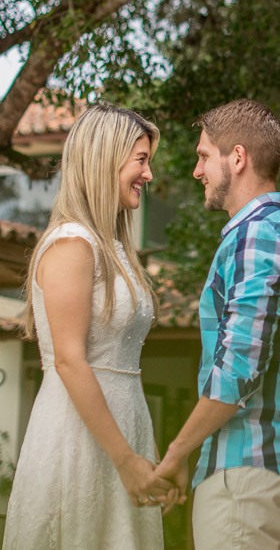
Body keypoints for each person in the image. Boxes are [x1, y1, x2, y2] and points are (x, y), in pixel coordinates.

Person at [154, 99, 280, 550]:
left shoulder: (254, 236)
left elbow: (238, 369)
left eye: (202, 156)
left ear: (236, 158)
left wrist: (178, 452)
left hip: (248, 477)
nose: (197, 172)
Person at [3, 106, 178, 550]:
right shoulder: (71, 245)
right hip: (79, 442)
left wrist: (145, 463)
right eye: (141, 160)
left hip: (124, 432)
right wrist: (126, 461)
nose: (149, 174)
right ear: (106, 158)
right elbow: (68, 360)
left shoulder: (114, 248)